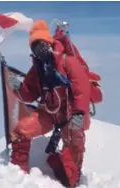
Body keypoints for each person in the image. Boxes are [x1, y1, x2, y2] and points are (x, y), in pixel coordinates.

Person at [9, 19, 91, 187]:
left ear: (49, 42)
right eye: (35, 46)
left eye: (42, 44)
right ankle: (16, 173)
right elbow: (28, 94)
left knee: (75, 141)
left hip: (69, 114)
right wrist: (17, 88)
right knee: (21, 130)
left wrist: (79, 113)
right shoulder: (37, 69)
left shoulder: (68, 61)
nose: (40, 49)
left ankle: (72, 179)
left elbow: (81, 89)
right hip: (48, 113)